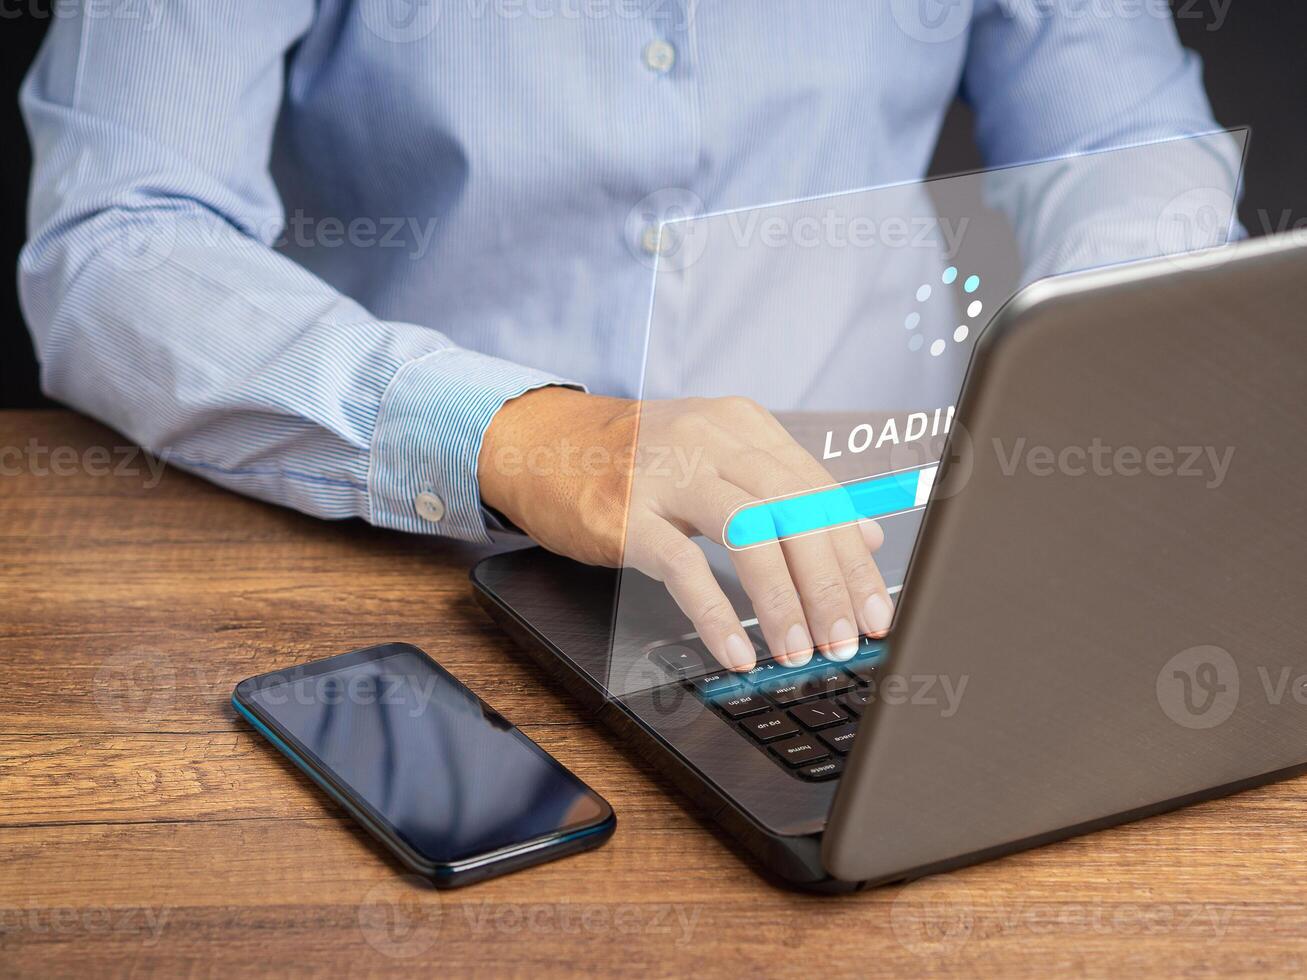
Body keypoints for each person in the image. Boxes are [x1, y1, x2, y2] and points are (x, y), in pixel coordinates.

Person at [20, 1, 1227, 672]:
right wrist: (530, 436)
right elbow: (122, 234)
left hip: (885, 565)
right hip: (407, 573)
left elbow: (1121, 138)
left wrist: (1083, 386)